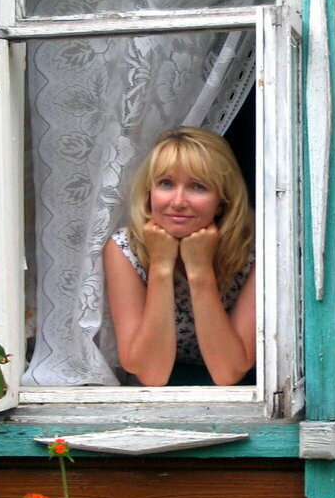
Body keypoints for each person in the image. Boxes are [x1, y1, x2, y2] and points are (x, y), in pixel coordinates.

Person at [104, 127, 255, 387]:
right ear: (149, 192)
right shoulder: (125, 247)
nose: (178, 201)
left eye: (198, 186)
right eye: (166, 183)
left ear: (222, 200)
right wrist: (161, 266)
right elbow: (150, 375)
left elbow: (228, 373)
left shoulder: (253, 250)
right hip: (151, 397)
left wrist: (199, 269)